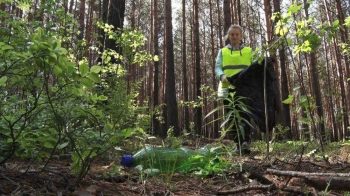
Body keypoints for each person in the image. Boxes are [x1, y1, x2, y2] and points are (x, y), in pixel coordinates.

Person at [215, 24, 253, 154]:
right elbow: (218, 67)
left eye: (237, 34)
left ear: (241, 36)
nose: (234, 36)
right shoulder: (223, 51)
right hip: (228, 87)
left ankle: (246, 142)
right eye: (232, 34)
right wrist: (222, 75)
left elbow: (254, 67)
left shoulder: (248, 51)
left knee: (245, 114)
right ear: (228, 36)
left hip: (245, 88)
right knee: (231, 116)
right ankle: (237, 143)